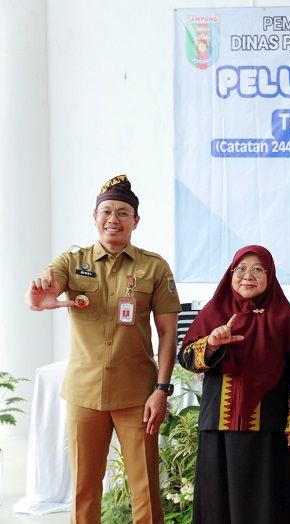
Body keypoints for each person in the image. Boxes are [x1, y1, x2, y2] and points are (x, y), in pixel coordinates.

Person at [24, 175, 181, 524]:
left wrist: (161, 389)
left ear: (135, 221)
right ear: (94, 218)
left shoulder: (153, 266)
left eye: (123, 212)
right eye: (106, 211)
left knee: (145, 488)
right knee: (84, 489)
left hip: (137, 394)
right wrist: (36, 298)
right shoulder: (72, 261)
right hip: (84, 392)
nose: (114, 219)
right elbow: (43, 290)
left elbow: (168, 334)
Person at [177, 245, 290, 523]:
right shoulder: (213, 313)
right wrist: (211, 344)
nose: (247, 276)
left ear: (270, 275)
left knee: (267, 504)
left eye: (257, 269)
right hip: (218, 426)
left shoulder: (286, 317)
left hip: (269, 429)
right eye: (240, 269)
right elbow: (187, 359)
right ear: (231, 274)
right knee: (217, 503)